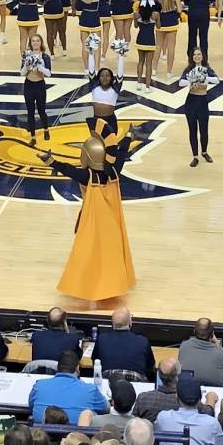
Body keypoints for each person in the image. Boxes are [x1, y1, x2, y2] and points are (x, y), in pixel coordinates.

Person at [57, 121, 135, 307]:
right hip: (112, 221)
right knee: (110, 254)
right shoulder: (115, 170)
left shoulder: (88, 176)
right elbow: (122, 152)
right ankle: (113, 283)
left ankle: (91, 285)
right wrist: (129, 136)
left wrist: (51, 161)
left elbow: (68, 170)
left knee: (88, 252)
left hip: (94, 219)